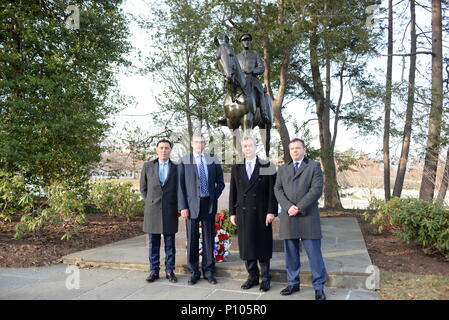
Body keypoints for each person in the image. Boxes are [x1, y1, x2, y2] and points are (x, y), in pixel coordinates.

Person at [274, 138, 328, 300]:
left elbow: (316, 189)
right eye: (292, 149)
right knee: (290, 254)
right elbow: (277, 189)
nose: (295, 151)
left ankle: (318, 286)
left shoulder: (314, 166)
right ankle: (293, 283)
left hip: (308, 216)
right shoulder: (283, 168)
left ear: (304, 150)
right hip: (288, 216)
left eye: (298, 148)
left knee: (314, 255)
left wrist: (299, 207)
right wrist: (288, 206)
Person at [229, 136, 278, 292]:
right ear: (242, 149)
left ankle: (265, 278)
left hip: (262, 213)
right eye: (244, 146)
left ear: (256, 147)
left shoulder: (267, 166)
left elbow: (273, 192)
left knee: (262, 246)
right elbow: (233, 192)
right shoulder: (236, 168)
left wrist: (271, 211)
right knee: (247, 246)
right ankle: (252, 277)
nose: (247, 148)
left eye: (250, 145)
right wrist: (232, 212)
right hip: (243, 212)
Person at [177, 134, 225, 285]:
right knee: (192, 240)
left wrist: (213, 196)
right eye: (197, 142)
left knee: (208, 239)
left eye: (202, 142)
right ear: (192, 144)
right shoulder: (185, 161)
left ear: (205, 144)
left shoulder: (213, 159)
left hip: (208, 205)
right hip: (191, 207)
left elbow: (220, 183)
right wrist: (183, 207)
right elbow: (180, 187)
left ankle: (209, 271)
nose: (199, 144)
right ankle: (194, 271)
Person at [140, 139, 178, 283]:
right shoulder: (148, 166)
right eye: (161, 148)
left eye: (166, 148)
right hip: (153, 210)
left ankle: (170, 271)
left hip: (170, 210)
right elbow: (143, 188)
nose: (164, 150)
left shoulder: (176, 168)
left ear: (170, 150)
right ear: (157, 150)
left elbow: (178, 190)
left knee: (170, 243)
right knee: (153, 243)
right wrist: (150, 201)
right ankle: (154, 271)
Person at [237, 33, 269, 123]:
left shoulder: (255, 54)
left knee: (260, 92)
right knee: (230, 90)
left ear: (250, 42)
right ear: (241, 43)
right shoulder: (237, 57)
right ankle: (226, 115)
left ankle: (264, 113)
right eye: (244, 40)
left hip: (253, 79)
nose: (246, 42)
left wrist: (253, 71)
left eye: (248, 40)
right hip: (241, 81)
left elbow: (261, 68)